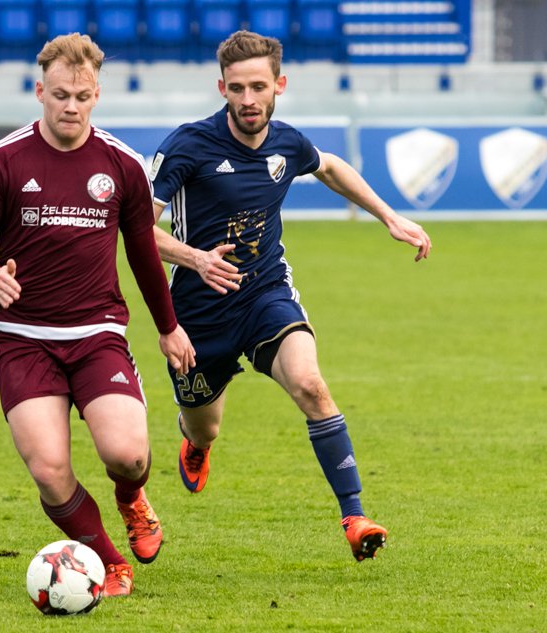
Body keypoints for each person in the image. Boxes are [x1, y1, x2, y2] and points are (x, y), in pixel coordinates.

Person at [148, 30, 431, 561]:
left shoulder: (288, 143)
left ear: (279, 85)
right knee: (205, 426)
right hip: (197, 312)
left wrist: (389, 217)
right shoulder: (187, 145)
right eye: (237, 88)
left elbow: (329, 167)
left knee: (311, 385)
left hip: (264, 294)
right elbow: (136, 230)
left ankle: (354, 517)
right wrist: (196, 259)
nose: (248, 99)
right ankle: (196, 442)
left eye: (258, 86)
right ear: (222, 88)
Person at [0, 33, 195, 596]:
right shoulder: (5, 159)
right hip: (23, 340)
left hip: (97, 337)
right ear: (40, 91)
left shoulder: (122, 165)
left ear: (96, 95)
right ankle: (110, 563)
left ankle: (131, 497)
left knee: (128, 456)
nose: (71, 106)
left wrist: (168, 328)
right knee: (49, 469)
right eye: (60, 95)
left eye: (82, 96)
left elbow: (142, 253)